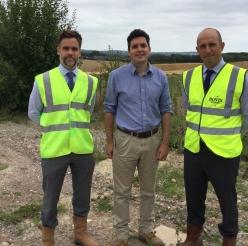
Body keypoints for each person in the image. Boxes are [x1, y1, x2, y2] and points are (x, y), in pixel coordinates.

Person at [179, 28, 248, 246]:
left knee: (227, 203)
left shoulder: (240, 77)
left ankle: (228, 240)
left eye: (212, 45)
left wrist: (233, 134)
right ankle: (193, 239)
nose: (208, 50)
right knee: (194, 199)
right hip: (194, 150)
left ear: (222, 46)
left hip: (223, 154)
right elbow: (188, 110)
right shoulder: (188, 77)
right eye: (203, 46)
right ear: (197, 50)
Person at [28, 30, 99, 246]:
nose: (70, 53)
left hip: (83, 149)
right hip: (54, 148)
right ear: (58, 50)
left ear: (79, 53)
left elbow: (88, 111)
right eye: (66, 48)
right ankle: (48, 238)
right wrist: (51, 127)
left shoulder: (91, 82)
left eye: (74, 49)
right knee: (50, 198)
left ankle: (80, 233)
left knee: (83, 194)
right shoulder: (43, 80)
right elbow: (33, 112)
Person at [104, 29, 173, 246]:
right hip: (125, 139)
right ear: (129, 51)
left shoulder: (161, 77)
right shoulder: (116, 76)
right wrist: (109, 141)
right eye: (135, 46)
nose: (139, 49)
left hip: (152, 140)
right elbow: (109, 109)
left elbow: (166, 110)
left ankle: (145, 230)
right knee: (122, 191)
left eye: (143, 45)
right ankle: (122, 235)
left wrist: (164, 142)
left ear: (149, 49)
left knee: (148, 190)